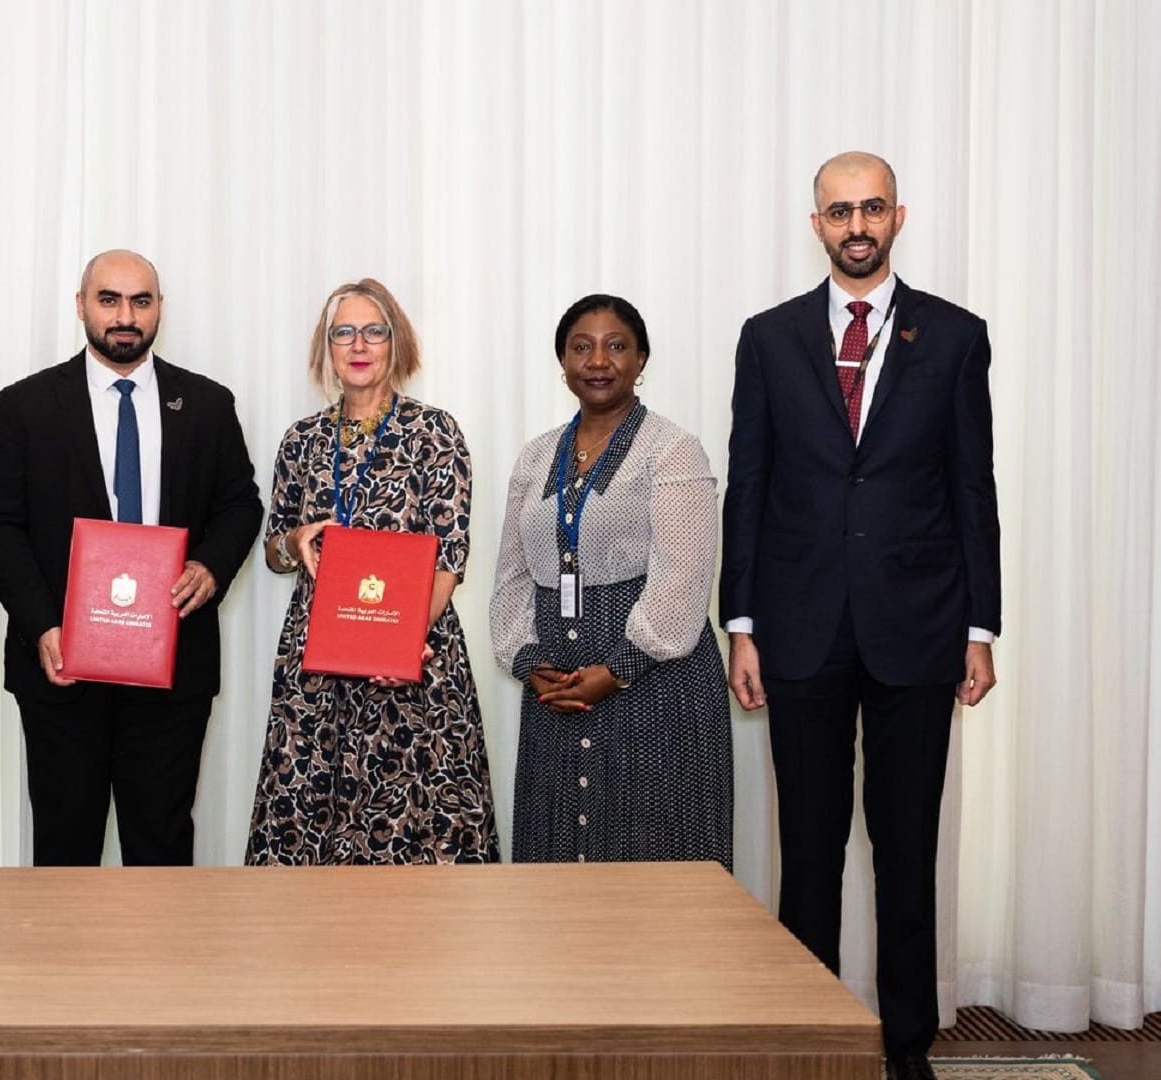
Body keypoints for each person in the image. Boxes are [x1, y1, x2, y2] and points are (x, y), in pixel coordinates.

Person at [721, 152, 1001, 1080]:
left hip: (920, 628)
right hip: (797, 628)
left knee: (906, 851)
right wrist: (741, 624)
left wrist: (980, 629)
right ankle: (812, 1043)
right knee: (808, 853)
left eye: (872, 208)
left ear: (898, 217)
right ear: (816, 225)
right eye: (839, 211)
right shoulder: (768, 338)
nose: (856, 226)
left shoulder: (954, 336)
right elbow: (749, 487)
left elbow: (972, 487)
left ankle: (907, 1047)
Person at [0, 250, 262, 866]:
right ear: (81, 306)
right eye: (109, 300)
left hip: (172, 662)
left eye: (141, 301)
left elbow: (240, 505)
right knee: (64, 848)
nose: (125, 316)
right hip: (62, 664)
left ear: (160, 309)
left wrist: (210, 566)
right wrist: (42, 626)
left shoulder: (207, 404)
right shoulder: (24, 406)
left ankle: (159, 940)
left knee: (161, 846)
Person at [245, 278, 499, 865]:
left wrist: (398, 644)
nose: (359, 346)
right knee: (307, 831)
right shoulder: (302, 440)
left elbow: (449, 556)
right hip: (317, 667)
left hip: (414, 661)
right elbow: (274, 553)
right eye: (344, 333)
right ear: (327, 348)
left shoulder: (434, 432)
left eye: (374, 331)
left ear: (396, 342)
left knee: (415, 834)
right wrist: (294, 542)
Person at [489, 295, 732, 871]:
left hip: (657, 682)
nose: (598, 361)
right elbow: (512, 574)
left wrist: (620, 668)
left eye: (616, 346)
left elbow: (685, 576)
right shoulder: (536, 456)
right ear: (563, 363)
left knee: (652, 858)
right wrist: (526, 659)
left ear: (641, 359)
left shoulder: (672, 450)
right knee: (557, 864)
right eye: (582, 347)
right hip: (556, 684)